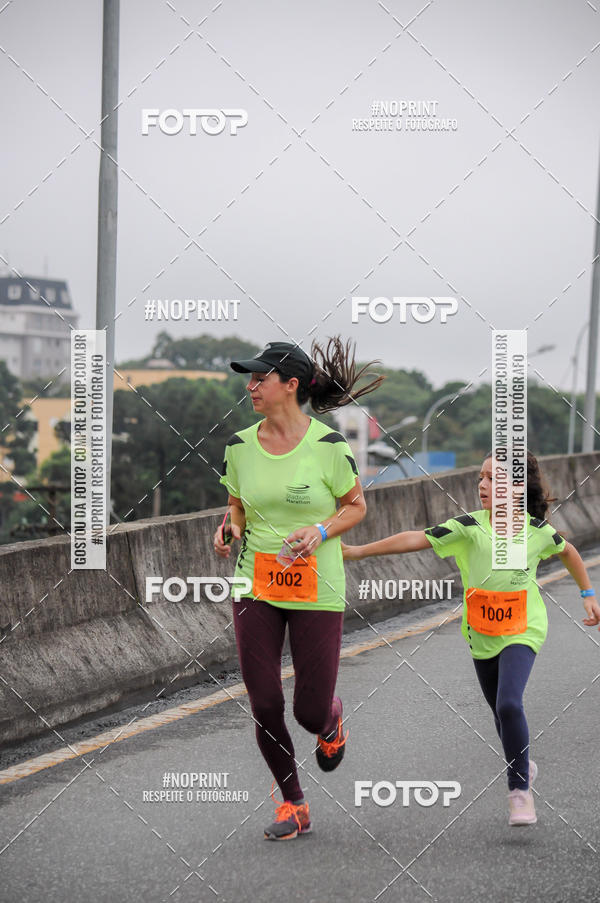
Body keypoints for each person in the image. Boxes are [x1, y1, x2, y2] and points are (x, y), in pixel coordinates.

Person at [342, 451, 600, 826]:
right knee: (499, 712)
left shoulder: (536, 531)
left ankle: (519, 790)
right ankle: (523, 762)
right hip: (481, 633)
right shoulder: (467, 528)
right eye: (480, 477)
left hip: (523, 628)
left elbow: (570, 552)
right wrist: (358, 551)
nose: (482, 485)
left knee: (510, 704)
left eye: (493, 479)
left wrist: (587, 594)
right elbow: (417, 537)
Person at [213, 338, 384, 840]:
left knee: (307, 711)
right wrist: (228, 529)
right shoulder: (239, 445)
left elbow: (356, 506)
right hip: (256, 583)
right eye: (249, 379)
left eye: (259, 378)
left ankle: (330, 718)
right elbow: (238, 506)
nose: (251, 387)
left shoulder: (329, 446)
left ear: (290, 385)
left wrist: (321, 530)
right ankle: (293, 802)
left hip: (317, 585)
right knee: (265, 701)